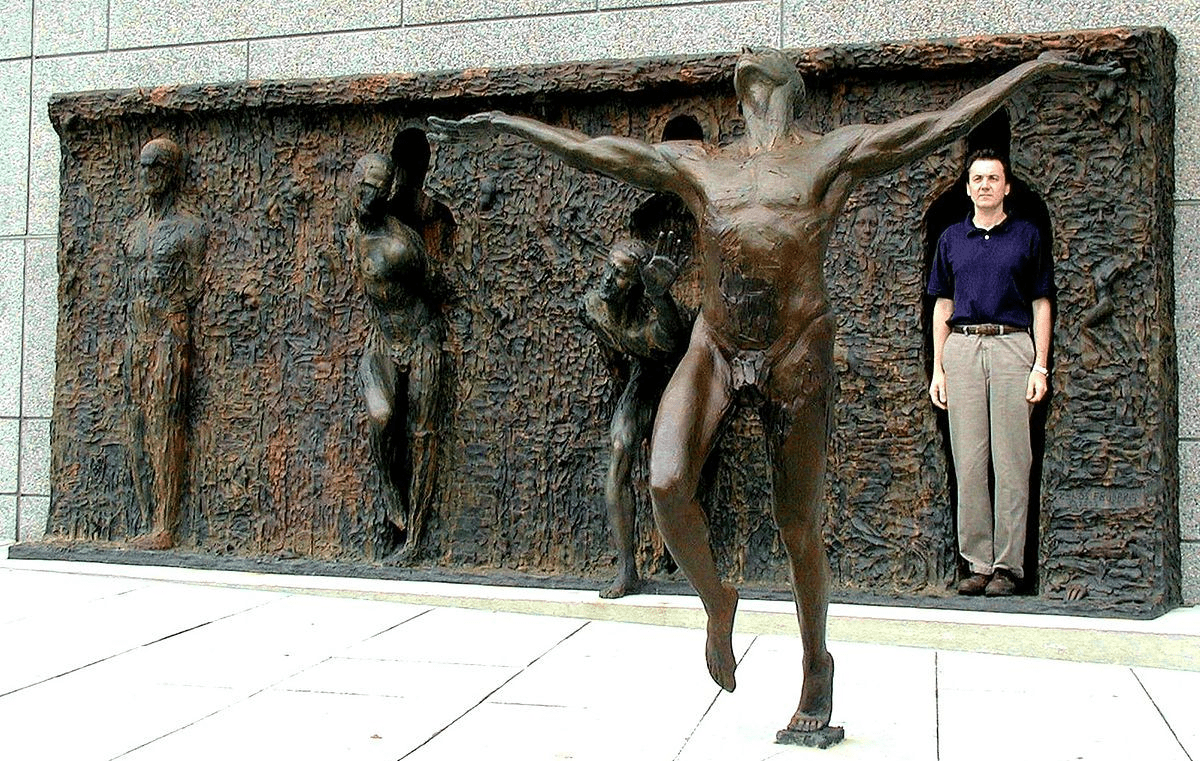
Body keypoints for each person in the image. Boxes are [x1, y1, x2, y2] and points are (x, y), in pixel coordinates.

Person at [429, 48, 1116, 733]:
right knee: (665, 482)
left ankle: (816, 665)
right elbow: (597, 152)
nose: (749, 78)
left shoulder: (828, 154)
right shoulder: (703, 163)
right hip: (717, 344)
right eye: (744, 78)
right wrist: (508, 124)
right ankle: (718, 601)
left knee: (797, 526)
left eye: (761, 71)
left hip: (795, 346)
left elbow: (942, 123)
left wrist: (1036, 68)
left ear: (789, 88)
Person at [927, 149, 1053, 597]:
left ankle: (1008, 566)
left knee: (1013, 460)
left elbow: (1041, 303)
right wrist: (939, 368)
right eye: (977, 179)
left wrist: (1040, 365)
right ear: (967, 188)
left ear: (1006, 187)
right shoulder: (951, 239)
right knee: (969, 460)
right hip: (962, 348)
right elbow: (942, 304)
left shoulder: (1027, 236)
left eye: (993, 178)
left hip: (1012, 346)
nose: (985, 185)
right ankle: (978, 563)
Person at [580, 234, 688, 598]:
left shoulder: (653, 318)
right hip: (644, 375)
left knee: (672, 468)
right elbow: (608, 345)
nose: (609, 279)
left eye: (621, 274)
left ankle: (685, 557)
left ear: (639, 283)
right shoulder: (593, 307)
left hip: (680, 378)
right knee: (620, 447)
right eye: (609, 269)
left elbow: (672, 338)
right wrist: (620, 381)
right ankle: (627, 568)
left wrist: (661, 296)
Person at [349, 153, 444, 560]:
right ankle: (390, 493)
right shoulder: (350, 232)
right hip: (382, 341)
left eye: (377, 189)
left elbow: (435, 285)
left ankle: (415, 537)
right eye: (364, 186)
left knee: (422, 436)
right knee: (381, 415)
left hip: (420, 340)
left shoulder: (399, 245)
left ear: (388, 193)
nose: (369, 196)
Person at [124, 137, 208, 550]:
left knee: (165, 424)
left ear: (173, 173)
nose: (147, 174)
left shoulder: (190, 229)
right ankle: (145, 518)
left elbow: (195, 287)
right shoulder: (132, 230)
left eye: (155, 166)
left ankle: (166, 523)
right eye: (143, 166)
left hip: (168, 333)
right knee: (137, 426)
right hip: (136, 335)